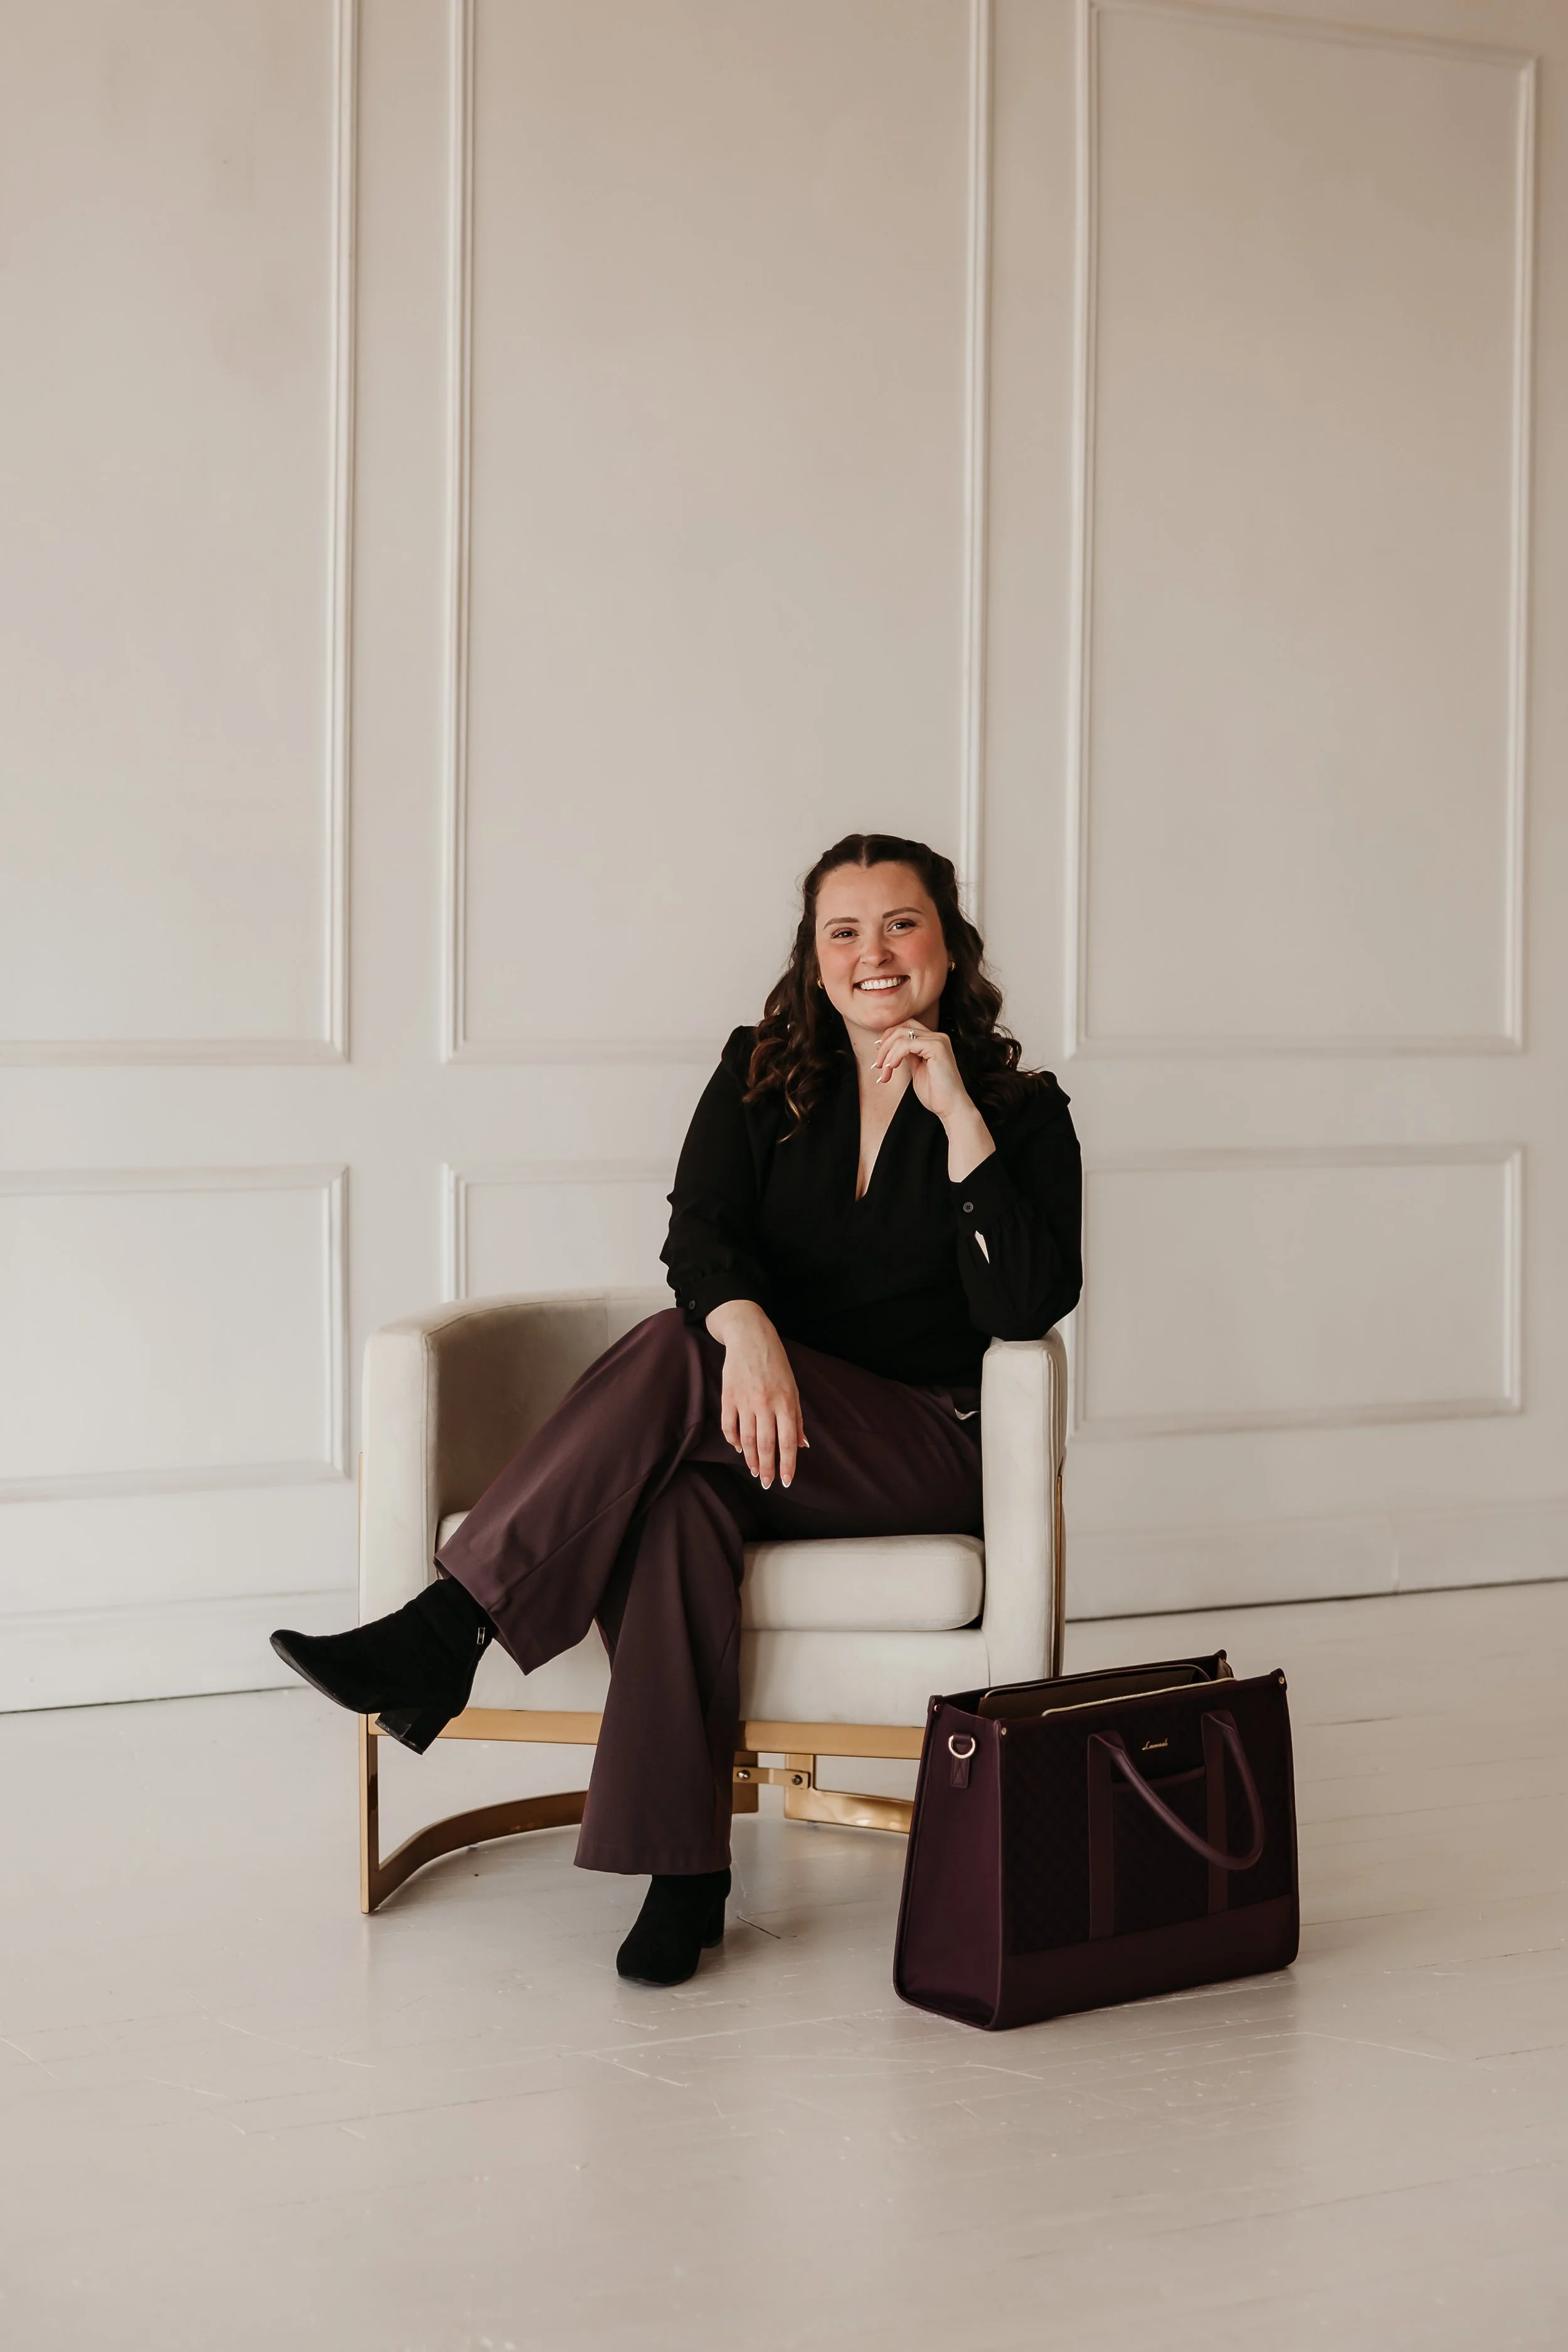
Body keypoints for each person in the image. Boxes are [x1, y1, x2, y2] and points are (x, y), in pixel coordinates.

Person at [272, 832, 1081, 1985]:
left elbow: (1029, 1300)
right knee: (682, 1506)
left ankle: (450, 1630)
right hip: (764, 1437)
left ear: (948, 943)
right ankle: (683, 1870)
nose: (873, 953)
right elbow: (697, 1229)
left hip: (922, 1442)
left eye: (900, 924)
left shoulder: (1020, 1107)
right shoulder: (761, 1070)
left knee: (671, 1351)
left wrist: (958, 1118)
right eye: (842, 931)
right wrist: (746, 1328)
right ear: (813, 953)